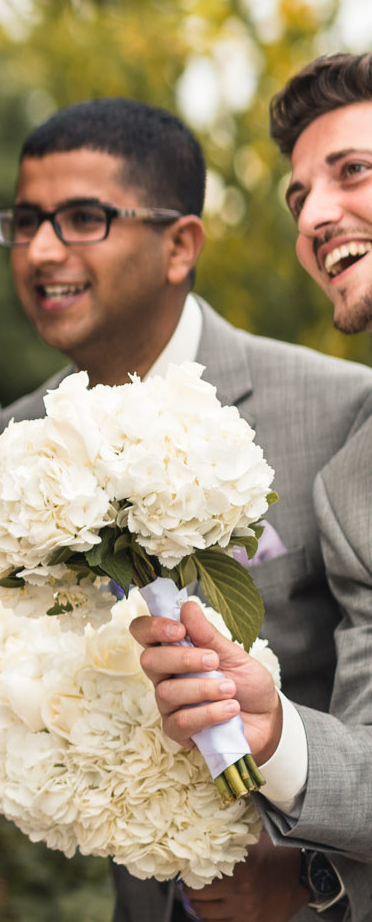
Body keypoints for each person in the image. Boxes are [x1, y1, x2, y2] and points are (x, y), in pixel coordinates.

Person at [0, 97, 372, 922]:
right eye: (24, 222)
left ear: (180, 244)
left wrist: (308, 871)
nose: (42, 249)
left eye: (82, 217)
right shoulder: (18, 443)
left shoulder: (341, 409)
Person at [140, 53, 372, 922]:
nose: (315, 213)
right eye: (298, 196)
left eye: (352, 171)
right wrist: (276, 733)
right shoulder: (353, 486)